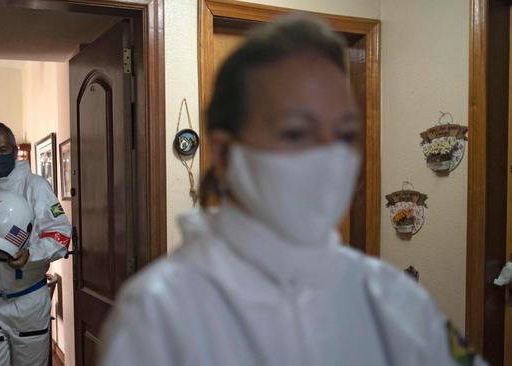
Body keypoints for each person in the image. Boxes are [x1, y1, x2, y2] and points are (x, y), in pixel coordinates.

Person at [99, 15, 487, 366]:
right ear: (224, 152)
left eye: (345, 134)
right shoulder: (159, 314)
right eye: (296, 132)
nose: (328, 158)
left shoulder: (392, 297)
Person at [0, 122, 71, 366]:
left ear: (13, 150)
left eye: (2, 150)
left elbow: (61, 233)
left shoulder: (36, 187)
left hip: (28, 302)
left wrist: (30, 254)